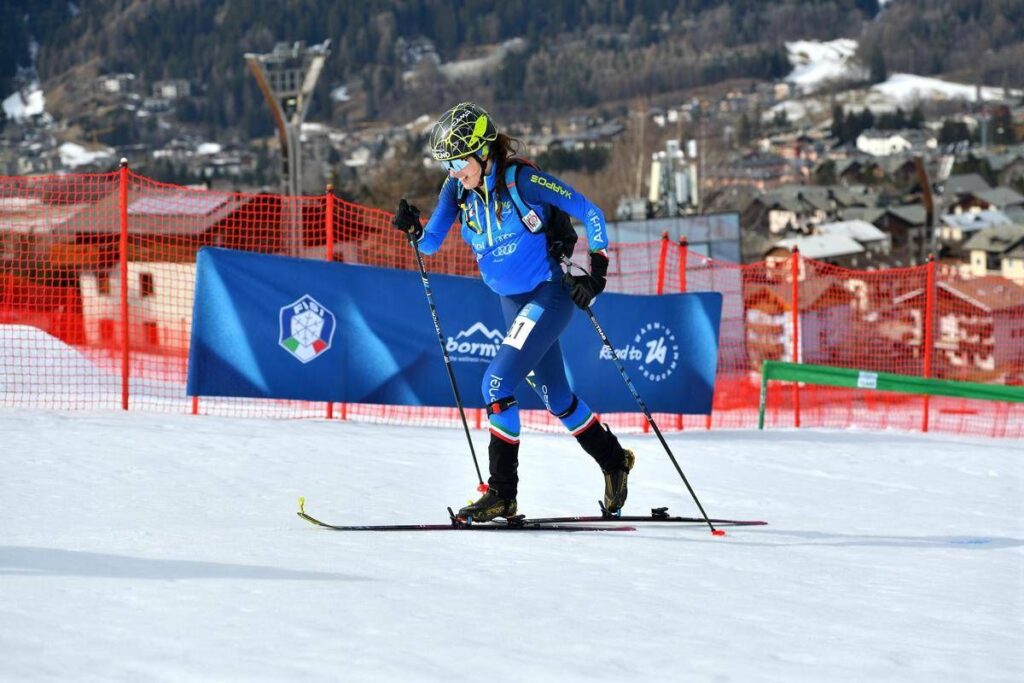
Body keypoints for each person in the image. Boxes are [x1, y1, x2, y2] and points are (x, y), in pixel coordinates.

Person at [392, 102, 633, 522]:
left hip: (548, 294)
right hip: (512, 302)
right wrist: (413, 228)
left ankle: (502, 493)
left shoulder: (523, 180)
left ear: (483, 151)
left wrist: (597, 272)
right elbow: (429, 244)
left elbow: (591, 213)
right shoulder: (456, 191)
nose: (453, 171)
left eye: (458, 161)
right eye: (446, 164)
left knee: (495, 383)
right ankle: (615, 460)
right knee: (557, 398)